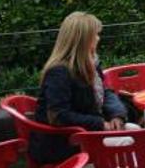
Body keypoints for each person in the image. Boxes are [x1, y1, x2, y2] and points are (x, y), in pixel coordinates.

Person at [30, 12, 128, 165]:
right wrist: (100, 124)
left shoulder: (91, 63)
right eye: (95, 35)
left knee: (134, 132)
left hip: (86, 133)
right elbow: (58, 116)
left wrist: (117, 115)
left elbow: (105, 92)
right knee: (131, 141)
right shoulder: (59, 72)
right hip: (65, 144)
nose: (98, 38)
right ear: (83, 40)